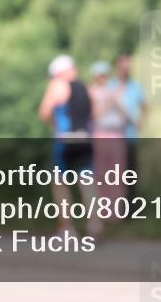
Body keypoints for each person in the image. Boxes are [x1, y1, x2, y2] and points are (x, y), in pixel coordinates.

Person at [38, 54, 100, 236]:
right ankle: (94, 223)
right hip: (85, 138)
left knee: (59, 183)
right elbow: (94, 114)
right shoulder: (85, 88)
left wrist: (54, 122)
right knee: (87, 180)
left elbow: (44, 112)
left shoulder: (57, 86)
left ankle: (67, 227)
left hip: (65, 140)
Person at [88, 60, 129, 211]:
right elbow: (94, 116)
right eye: (100, 76)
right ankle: (102, 211)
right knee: (101, 174)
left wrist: (116, 100)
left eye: (105, 75)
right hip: (100, 134)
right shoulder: (91, 91)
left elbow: (127, 116)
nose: (103, 78)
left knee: (117, 175)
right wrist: (109, 102)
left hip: (117, 135)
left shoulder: (116, 91)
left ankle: (117, 212)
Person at [114, 54, 146, 198]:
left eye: (128, 67)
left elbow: (145, 107)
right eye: (123, 67)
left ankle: (131, 208)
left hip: (130, 135)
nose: (125, 70)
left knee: (130, 173)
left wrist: (141, 122)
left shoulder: (136, 87)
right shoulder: (111, 85)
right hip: (113, 137)